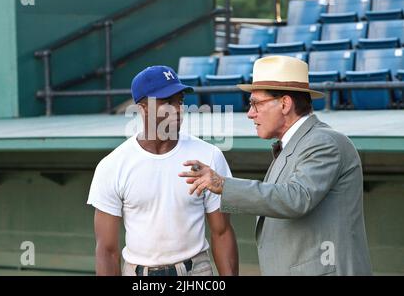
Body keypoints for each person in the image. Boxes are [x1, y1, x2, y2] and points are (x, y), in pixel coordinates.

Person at [179, 56, 372, 276]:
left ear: (285, 104)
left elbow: (296, 198)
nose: (250, 113)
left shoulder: (323, 142)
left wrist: (222, 184)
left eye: (256, 103)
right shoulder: (298, 142)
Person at [87, 65, 238, 276]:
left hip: (195, 270)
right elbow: (106, 250)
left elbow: (221, 233)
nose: (177, 109)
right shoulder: (113, 165)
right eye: (167, 102)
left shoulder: (208, 155)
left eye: (180, 101)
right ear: (143, 107)